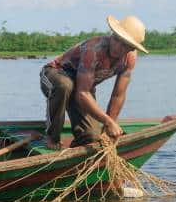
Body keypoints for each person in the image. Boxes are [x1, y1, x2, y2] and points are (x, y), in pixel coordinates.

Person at [39, 15, 148, 150]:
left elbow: (118, 95)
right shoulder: (94, 50)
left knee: (92, 137)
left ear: (131, 48)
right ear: (112, 34)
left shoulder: (129, 59)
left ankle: (74, 157)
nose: (118, 46)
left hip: (82, 86)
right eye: (117, 39)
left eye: (125, 45)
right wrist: (107, 121)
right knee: (65, 85)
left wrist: (109, 125)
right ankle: (52, 136)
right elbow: (83, 93)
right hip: (56, 74)